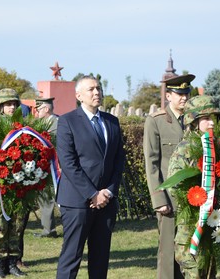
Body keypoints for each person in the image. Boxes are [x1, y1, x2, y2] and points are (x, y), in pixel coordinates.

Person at [56, 75, 125, 279]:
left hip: (106, 202)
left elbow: (118, 160)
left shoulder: (112, 122)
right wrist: (92, 194)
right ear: (79, 95)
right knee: (71, 257)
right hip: (77, 202)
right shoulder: (67, 121)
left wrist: (109, 191)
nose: (96, 92)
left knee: (100, 258)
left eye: (98, 88)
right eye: (91, 89)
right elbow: (68, 164)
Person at [168, 95, 220, 279]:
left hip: (217, 224)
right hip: (191, 227)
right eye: (206, 118)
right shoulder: (185, 149)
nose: (211, 123)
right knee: (196, 274)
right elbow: (174, 186)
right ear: (194, 121)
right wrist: (198, 197)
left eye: (213, 118)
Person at [143, 74, 195, 279]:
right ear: (169, 95)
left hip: (194, 197)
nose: (183, 98)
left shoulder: (194, 121)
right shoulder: (156, 121)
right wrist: (159, 199)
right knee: (167, 251)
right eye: (179, 94)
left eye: (186, 93)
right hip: (169, 199)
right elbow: (152, 163)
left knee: (192, 249)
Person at [0, 88, 28, 277]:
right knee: (0, 226)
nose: (11, 107)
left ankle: (12, 263)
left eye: (14, 104)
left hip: (19, 185)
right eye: (8, 104)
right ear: (0, 107)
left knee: (17, 227)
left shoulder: (23, 128)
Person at [33, 97, 58, 238]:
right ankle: (48, 229)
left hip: (57, 167)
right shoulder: (40, 124)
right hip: (44, 166)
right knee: (45, 198)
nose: (36, 112)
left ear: (46, 109)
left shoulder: (58, 123)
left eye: (38, 109)